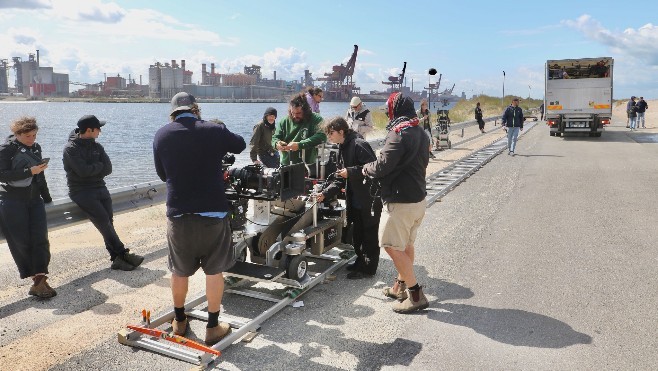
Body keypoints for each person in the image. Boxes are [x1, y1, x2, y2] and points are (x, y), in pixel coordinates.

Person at [153, 92, 246, 345]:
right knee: (214, 272)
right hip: (212, 212)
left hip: (179, 213)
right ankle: (213, 327)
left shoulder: (161, 135)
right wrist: (218, 131)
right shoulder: (213, 130)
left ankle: (180, 321)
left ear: (172, 111)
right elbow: (240, 145)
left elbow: (163, 174)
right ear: (195, 108)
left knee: (179, 271)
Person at [362, 92, 430, 314]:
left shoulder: (399, 133)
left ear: (394, 110)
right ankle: (399, 287)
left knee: (390, 245)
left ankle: (415, 294)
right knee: (406, 245)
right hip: (418, 198)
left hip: (400, 201)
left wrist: (366, 168)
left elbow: (382, 166)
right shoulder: (420, 131)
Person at [63, 115, 144, 271]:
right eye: (98, 128)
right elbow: (83, 172)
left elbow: (108, 168)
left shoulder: (97, 146)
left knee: (108, 222)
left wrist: (94, 168)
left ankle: (116, 259)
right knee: (103, 221)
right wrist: (97, 167)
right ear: (89, 130)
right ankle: (123, 253)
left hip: (100, 187)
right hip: (81, 191)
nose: (100, 131)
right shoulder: (70, 148)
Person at [318, 117, 382, 279]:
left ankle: (368, 268)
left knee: (369, 234)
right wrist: (324, 194)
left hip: (369, 198)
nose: (329, 137)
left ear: (341, 131)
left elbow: (374, 168)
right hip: (356, 197)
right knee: (358, 233)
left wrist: (351, 172)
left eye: (331, 133)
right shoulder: (342, 146)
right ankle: (361, 261)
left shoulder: (358, 144)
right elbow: (340, 177)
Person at [0, 116, 56, 298]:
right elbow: (2, 175)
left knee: (41, 240)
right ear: (17, 134)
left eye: (34, 135)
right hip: (12, 201)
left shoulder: (36, 147)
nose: (32, 139)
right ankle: (38, 282)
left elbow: (40, 176)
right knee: (22, 242)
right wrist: (28, 172)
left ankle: (40, 280)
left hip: (35, 200)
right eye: (28, 136)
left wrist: (47, 198)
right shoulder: (6, 150)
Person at [272, 92, 327, 176]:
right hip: (286, 164)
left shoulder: (315, 118)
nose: (294, 116)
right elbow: (274, 138)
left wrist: (300, 145)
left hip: (308, 165)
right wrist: (277, 144)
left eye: (298, 113)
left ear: (306, 110)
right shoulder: (284, 121)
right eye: (292, 113)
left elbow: (322, 136)